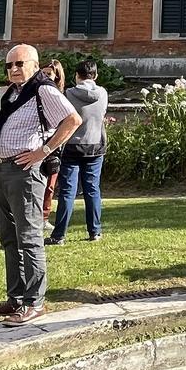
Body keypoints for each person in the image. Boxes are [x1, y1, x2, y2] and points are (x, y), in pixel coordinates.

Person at [0, 43, 81, 326]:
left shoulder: (43, 89)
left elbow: (73, 120)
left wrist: (44, 150)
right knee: (9, 237)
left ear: (35, 65)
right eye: (9, 65)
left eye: (19, 64)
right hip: (3, 171)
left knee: (29, 238)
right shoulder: (14, 93)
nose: (13, 69)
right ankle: (16, 299)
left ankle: (34, 302)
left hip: (25, 173)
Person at [46, 59, 107, 245]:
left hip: (72, 146)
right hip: (96, 146)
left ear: (76, 76)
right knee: (92, 190)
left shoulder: (69, 94)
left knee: (67, 192)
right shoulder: (103, 93)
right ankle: (94, 231)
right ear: (95, 75)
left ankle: (59, 235)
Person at [37, 59, 66, 221]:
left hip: (54, 145)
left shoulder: (61, 96)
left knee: (50, 185)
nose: (45, 76)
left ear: (57, 76)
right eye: (43, 73)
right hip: (38, 143)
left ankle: (44, 216)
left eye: (49, 74)